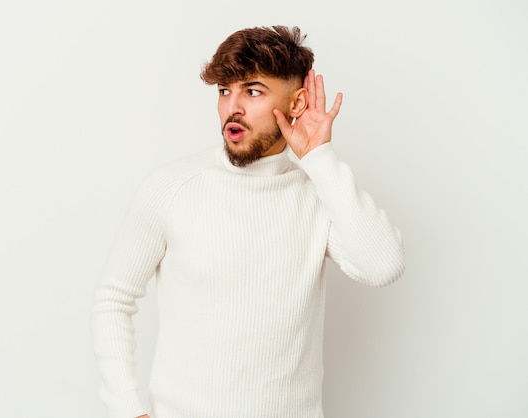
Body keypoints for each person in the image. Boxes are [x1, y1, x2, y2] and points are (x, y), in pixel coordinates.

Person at [91, 25, 405, 418]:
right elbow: (114, 299)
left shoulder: (318, 194)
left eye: (252, 90)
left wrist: (320, 158)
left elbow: (383, 267)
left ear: (297, 102)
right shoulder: (172, 187)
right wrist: (126, 410)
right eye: (225, 91)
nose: (231, 107)